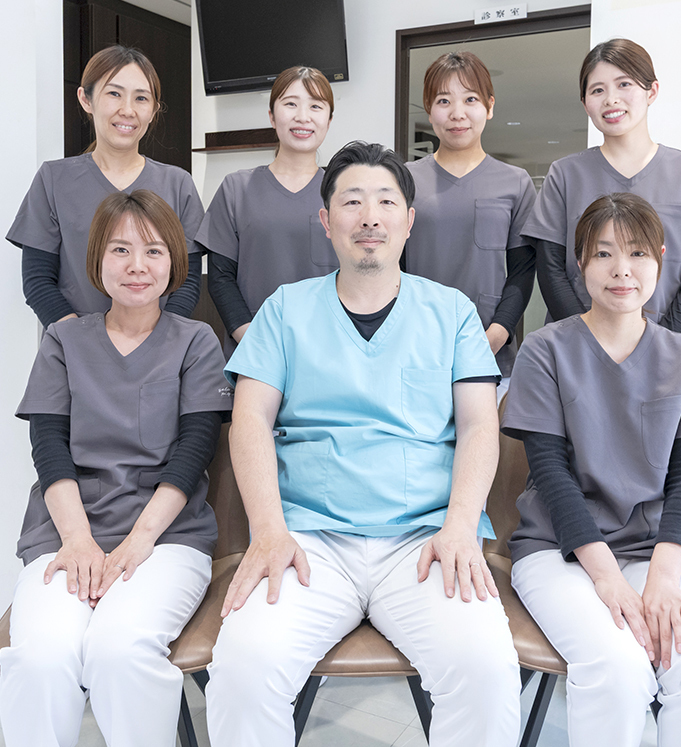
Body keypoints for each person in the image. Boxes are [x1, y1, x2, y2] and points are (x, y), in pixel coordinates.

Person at [205, 141, 521, 746]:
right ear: (326, 222)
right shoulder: (284, 310)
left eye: (385, 201)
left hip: (426, 540)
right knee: (244, 669)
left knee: (485, 671)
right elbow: (249, 420)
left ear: (409, 220)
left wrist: (460, 527)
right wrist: (268, 531)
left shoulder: (452, 313)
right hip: (307, 540)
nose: (369, 217)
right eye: (351, 202)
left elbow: (481, 426)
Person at [503, 192, 681, 746]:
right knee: (617, 669)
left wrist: (663, 579)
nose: (622, 270)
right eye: (604, 253)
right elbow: (551, 475)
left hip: (663, 551)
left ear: (659, 259)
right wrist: (608, 578)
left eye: (637, 253)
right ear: (580, 263)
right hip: (560, 550)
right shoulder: (545, 350)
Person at [0, 190, 233, 747]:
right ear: (97, 260)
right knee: (41, 655)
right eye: (120, 249)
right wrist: (78, 541)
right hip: (66, 534)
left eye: (153, 251)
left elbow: (194, 451)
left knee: (119, 649)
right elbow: (49, 448)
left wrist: (137, 542)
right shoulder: (63, 340)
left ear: (174, 262)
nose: (137, 265)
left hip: (165, 537)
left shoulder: (195, 341)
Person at [522, 38, 681, 340]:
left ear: (651, 91)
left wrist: (658, 346)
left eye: (624, 84)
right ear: (585, 103)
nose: (611, 99)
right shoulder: (564, 174)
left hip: (672, 345)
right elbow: (550, 270)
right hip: (579, 346)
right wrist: (587, 343)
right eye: (597, 90)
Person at [7, 45, 205, 326]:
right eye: (114, 94)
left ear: (153, 110)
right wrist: (79, 339)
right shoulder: (53, 180)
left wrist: (162, 339)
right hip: (73, 341)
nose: (128, 110)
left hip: (158, 344)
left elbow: (188, 279)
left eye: (141, 98)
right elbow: (38, 280)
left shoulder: (178, 184)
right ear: (86, 99)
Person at [405, 51, 536, 381]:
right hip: (414, 347)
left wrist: (496, 335)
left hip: (490, 351)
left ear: (489, 106)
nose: (457, 113)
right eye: (444, 101)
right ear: (429, 109)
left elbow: (522, 271)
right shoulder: (404, 180)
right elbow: (393, 265)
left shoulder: (516, 182)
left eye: (470, 99)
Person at [198, 66, 338, 356]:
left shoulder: (344, 193)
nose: (303, 116)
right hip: (254, 348)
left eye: (315, 106)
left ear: (329, 119)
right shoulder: (236, 188)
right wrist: (254, 340)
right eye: (290, 104)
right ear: (272, 116)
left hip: (330, 348)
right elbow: (221, 278)